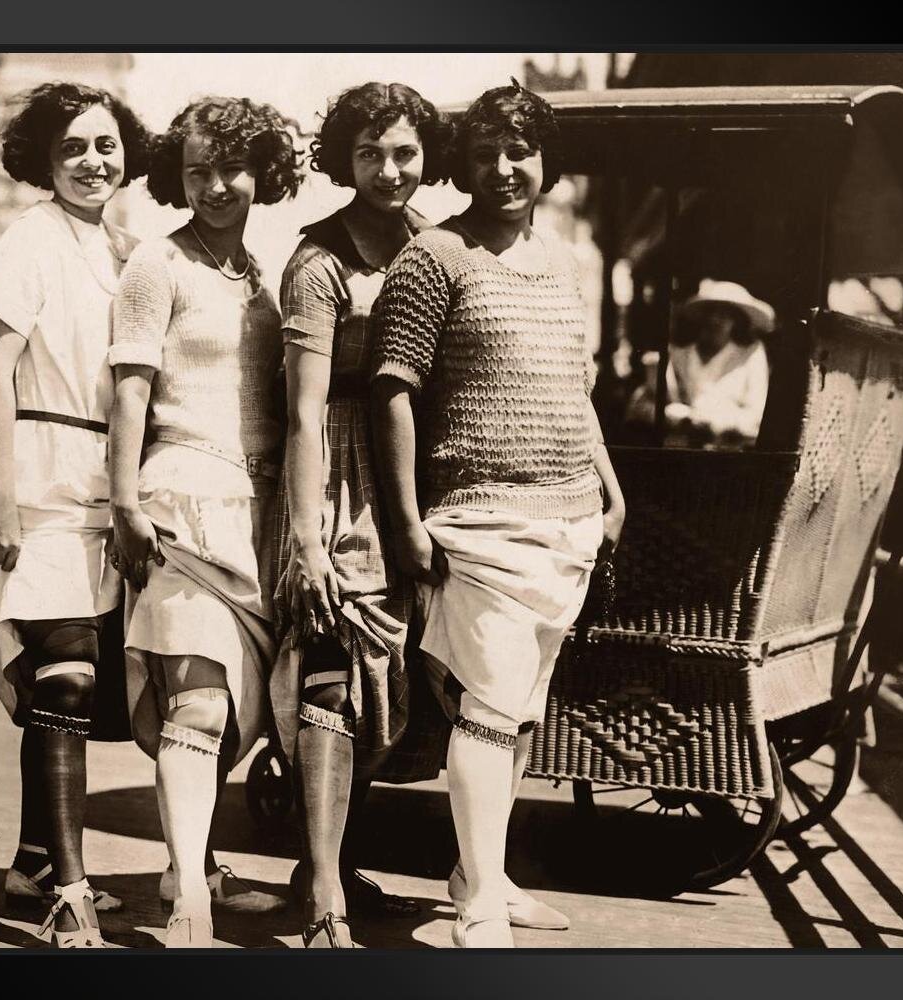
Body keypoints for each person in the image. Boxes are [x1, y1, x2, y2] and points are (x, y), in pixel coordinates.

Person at [370, 82, 627, 948]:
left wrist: (608, 484)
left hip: (568, 520)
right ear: (463, 163)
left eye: (519, 150)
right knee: (486, 706)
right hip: (478, 522)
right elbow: (394, 392)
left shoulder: (563, 261)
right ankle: (479, 905)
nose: (504, 167)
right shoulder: (434, 257)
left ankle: (482, 873)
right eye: (485, 152)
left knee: (518, 709)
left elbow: (573, 389)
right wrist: (406, 520)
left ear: (544, 159)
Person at [108, 95, 300, 947]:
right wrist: (123, 501)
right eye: (198, 171)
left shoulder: (266, 278)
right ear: (174, 177)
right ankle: (187, 894)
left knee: (231, 713)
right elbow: (131, 388)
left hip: (257, 517)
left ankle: (196, 864)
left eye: (232, 168)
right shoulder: (159, 264)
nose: (216, 186)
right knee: (196, 701)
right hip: (181, 499)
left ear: (264, 170)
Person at [266, 81, 451, 948]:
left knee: (394, 685)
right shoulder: (317, 261)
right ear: (343, 156)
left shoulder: (436, 247)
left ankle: (323, 861)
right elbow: (302, 410)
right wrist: (306, 535)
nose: (388, 170)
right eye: (371, 153)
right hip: (337, 473)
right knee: (335, 675)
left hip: (411, 474)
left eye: (405, 153)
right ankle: (326, 899)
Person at [0, 82, 151, 947]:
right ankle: (69, 892)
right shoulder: (32, 237)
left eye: (106, 145)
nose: (92, 160)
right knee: (67, 670)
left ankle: (33, 860)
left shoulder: (121, 247)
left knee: (71, 679)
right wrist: (1, 498)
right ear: (44, 157)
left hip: (103, 479)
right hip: (39, 470)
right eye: (74, 146)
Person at [663, 279, 772, 448]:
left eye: (724, 315)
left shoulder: (751, 355)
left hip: (730, 452)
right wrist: (681, 417)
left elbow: (757, 414)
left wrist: (716, 422)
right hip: (681, 450)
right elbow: (650, 404)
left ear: (736, 320)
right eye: (710, 312)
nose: (715, 320)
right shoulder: (679, 355)